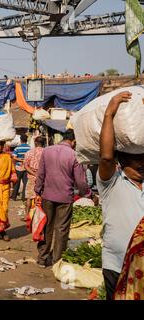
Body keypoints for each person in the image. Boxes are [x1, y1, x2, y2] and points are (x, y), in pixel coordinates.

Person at [96, 91, 144, 300]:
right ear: (122, 160)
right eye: (136, 159)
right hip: (116, 263)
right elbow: (106, 157)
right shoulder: (111, 183)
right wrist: (109, 114)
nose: (141, 163)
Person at [34, 129, 87, 268]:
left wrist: (37, 190)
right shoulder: (74, 155)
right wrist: (86, 194)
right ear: (73, 141)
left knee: (47, 226)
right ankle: (57, 261)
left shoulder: (47, 151)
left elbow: (41, 174)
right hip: (65, 197)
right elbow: (80, 181)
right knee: (61, 229)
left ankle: (42, 257)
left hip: (47, 195)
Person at [23, 136, 45, 222]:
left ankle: (27, 215)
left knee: (29, 197)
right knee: (42, 197)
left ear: (35, 143)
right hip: (43, 178)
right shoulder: (46, 152)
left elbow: (25, 166)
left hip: (31, 178)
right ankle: (42, 215)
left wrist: (33, 173)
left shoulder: (29, 152)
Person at [11, 134, 31, 202]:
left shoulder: (17, 148)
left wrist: (20, 160)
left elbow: (14, 157)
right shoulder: (29, 148)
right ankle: (24, 198)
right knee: (25, 183)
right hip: (26, 168)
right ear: (26, 140)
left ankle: (14, 197)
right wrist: (24, 160)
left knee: (17, 182)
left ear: (21, 140)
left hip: (18, 167)